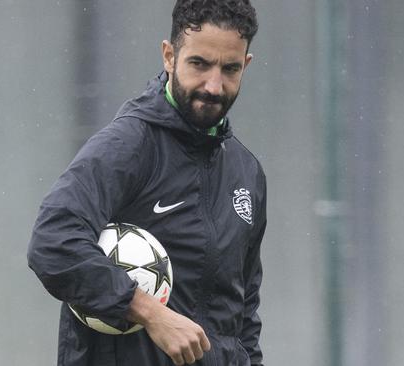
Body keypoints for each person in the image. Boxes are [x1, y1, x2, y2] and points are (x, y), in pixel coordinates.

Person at [27, 0, 265, 365]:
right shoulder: (128, 147)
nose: (213, 86)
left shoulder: (246, 172)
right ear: (169, 56)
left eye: (230, 69)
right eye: (199, 64)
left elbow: (244, 315)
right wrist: (150, 312)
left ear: (246, 65)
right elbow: (53, 241)